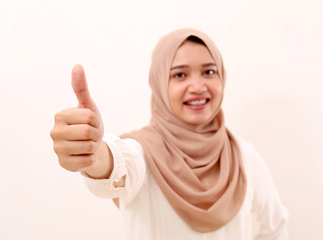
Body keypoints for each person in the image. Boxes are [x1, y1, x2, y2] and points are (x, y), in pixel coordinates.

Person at [50, 28, 289, 239]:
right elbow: (117, 164)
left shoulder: (244, 157)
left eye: (208, 72)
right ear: (159, 84)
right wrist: (93, 152)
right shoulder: (144, 152)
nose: (197, 87)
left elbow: (275, 228)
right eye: (179, 75)